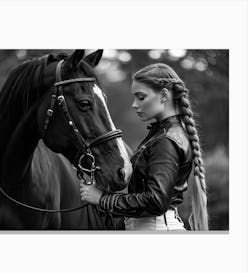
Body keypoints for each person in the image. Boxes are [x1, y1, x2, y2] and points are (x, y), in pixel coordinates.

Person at [80, 63, 208, 231]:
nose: (134, 104)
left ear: (163, 95)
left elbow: (155, 201)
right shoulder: (163, 134)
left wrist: (102, 199)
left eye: (140, 97)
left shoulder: (165, 140)